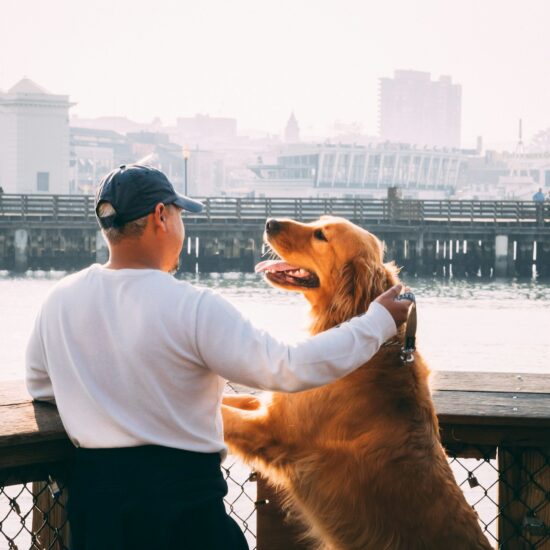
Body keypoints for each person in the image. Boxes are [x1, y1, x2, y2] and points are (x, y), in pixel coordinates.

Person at [25, 164, 412, 550]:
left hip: (98, 515)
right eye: (179, 215)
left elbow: (41, 386)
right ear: (162, 216)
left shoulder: (58, 300)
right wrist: (377, 322)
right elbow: (286, 366)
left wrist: (106, 400)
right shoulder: (193, 307)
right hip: (184, 510)